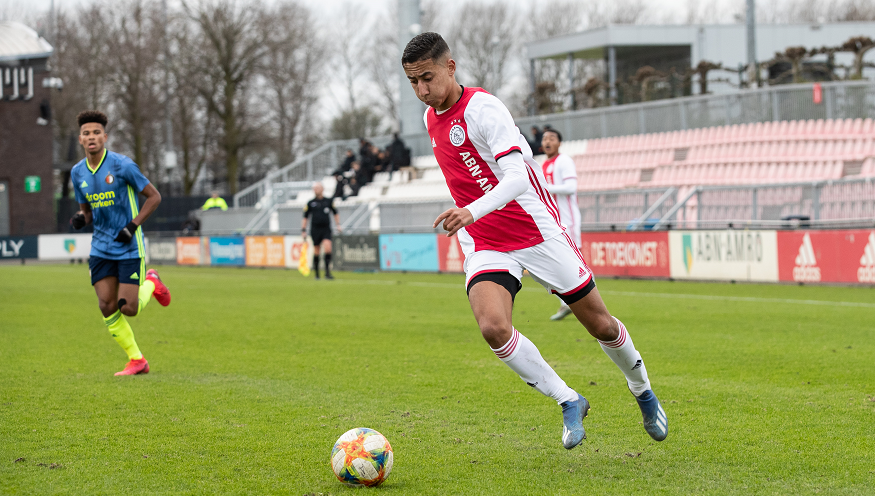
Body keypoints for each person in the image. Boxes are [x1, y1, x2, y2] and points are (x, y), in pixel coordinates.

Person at [402, 32, 667, 449]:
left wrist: (471, 209)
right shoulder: (429, 117)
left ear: (450, 68)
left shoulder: (485, 109)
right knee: (492, 327)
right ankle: (569, 400)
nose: (421, 90)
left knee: (599, 323)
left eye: (427, 78)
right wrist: (471, 218)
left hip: (535, 231)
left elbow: (517, 177)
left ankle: (642, 390)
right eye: (413, 82)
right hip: (486, 239)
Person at [69, 110, 171, 376]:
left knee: (130, 308)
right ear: (80, 139)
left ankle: (152, 282)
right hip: (101, 246)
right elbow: (88, 211)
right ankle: (137, 360)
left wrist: (132, 225)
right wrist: (82, 218)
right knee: (106, 305)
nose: (91, 137)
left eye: (96, 133)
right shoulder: (77, 172)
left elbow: (154, 197)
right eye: (86, 134)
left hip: (128, 244)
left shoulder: (123, 165)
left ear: (105, 136)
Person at [540, 128, 582, 321]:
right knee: (559, 262)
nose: (547, 141)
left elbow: (571, 187)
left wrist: (545, 188)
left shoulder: (564, 161)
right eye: (545, 138)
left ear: (559, 143)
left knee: (576, 262)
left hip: (568, 220)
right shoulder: (544, 164)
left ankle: (584, 303)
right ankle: (566, 304)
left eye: (552, 138)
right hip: (553, 222)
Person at [302, 183, 342, 279]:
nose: (316, 190)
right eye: (314, 188)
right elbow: (305, 217)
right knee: (317, 251)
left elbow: (335, 213)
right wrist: (303, 229)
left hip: (326, 229)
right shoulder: (310, 203)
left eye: (318, 188)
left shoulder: (328, 201)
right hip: (315, 229)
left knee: (328, 248)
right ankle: (317, 274)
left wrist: (338, 225)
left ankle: (327, 273)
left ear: (322, 189)